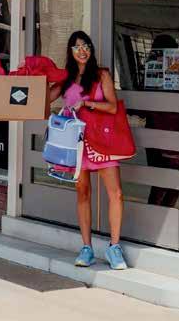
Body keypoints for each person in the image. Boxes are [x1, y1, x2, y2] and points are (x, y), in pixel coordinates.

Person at [49, 30, 127, 270]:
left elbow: (113, 107)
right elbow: (44, 99)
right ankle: (87, 248)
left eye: (86, 46)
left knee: (116, 193)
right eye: (77, 47)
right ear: (70, 51)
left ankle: (114, 248)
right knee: (83, 193)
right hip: (76, 142)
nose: (82, 51)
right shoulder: (66, 78)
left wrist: (87, 103)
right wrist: (33, 74)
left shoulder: (102, 75)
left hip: (102, 142)